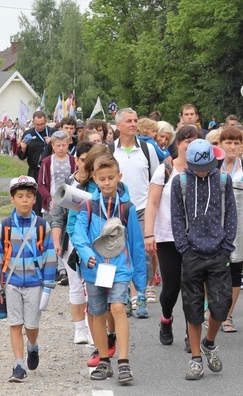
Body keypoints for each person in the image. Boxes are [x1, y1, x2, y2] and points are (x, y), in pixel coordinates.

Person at [70, 154, 147, 385]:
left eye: (111, 178)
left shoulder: (127, 208)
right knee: (97, 312)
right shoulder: (88, 205)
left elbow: (136, 244)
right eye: (101, 178)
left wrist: (141, 284)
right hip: (94, 269)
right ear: (94, 178)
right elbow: (78, 234)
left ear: (119, 177)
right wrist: (87, 256)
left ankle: (123, 361)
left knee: (117, 307)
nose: (106, 183)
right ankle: (104, 359)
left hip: (120, 268)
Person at [171, 139, 236, 380]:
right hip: (192, 254)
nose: (203, 171)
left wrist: (227, 246)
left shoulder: (222, 180)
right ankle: (196, 358)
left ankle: (210, 342)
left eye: (207, 166)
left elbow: (231, 213)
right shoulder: (181, 182)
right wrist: (184, 248)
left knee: (221, 305)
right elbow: (177, 218)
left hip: (218, 252)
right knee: (193, 308)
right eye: (198, 167)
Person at [0, 176, 57, 383]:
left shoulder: (42, 226)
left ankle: (32, 346)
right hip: (12, 284)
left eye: (28, 196)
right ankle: (18, 364)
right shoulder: (5, 227)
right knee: (15, 324)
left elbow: (50, 258)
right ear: (12, 199)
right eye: (20, 196)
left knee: (31, 325)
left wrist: (48, 285)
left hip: (35, 284)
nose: (24, 200)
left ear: (35, 198)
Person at [143, 124, 200, 350]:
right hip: (168, 236)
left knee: (192, 286)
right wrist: (149, 233)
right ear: (178, 144)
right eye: (187, 140)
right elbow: (153, 203)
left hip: (196, 238)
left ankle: (190, 333)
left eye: (195, 141)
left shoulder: (203, 169)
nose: (190, 145)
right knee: (171, 288)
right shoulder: (165, 169)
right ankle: (166, 318)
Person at [109, 108, 159, 317]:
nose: (133, 124)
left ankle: (140, 294)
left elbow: (156, 179)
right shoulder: (109, 150)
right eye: (128, 121)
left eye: (135, 120)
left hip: (141, 208)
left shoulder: (147, 149)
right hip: (117, 209)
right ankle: (127, 297)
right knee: (121, 253)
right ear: (118, 125)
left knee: (142, 253)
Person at [47, 141, 97, 345]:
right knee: (76, 285)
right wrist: (57, 240)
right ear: (76, 160)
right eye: (83, 160)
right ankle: (79, 328)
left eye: (90, 160)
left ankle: (95, 327)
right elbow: (58, 215)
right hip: (71, 243)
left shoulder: (98, 183)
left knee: (95, 287)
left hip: (95, 241)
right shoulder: (68, 184)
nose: (86, 164)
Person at [218, 126, 243, 333]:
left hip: (239, 225)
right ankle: (209, 310)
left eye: (236, 143)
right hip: (213, 226)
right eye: (228, 142)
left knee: (235, 270)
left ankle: (227, 315)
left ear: (242, 146)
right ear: (221, 145)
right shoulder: (213, 166)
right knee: (212, 269)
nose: (232, 146)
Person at [18, 111, 56, 214]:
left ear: (46, 122)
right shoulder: (28, 134)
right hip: (35, 171)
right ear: (33, 123)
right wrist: (23, 149)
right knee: (34, 197)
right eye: (37, 125)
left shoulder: (53, 132)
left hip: (50, 171)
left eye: (42, 124)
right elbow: (21, 156)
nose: (40, 127)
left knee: (48, 195)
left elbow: (61, 151)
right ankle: (35, 219)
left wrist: (52, 144)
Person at [37, 131, 76, 216]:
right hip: (52, 202)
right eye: (58, 145)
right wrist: (49, 200)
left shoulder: (74, 161)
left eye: (63, 145)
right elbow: (41, 184)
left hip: (70, 203)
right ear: (53, 146)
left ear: (68, 145)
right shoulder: (47, 162)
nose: (61, 148)